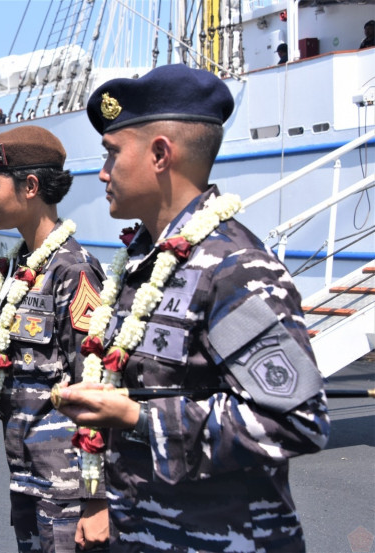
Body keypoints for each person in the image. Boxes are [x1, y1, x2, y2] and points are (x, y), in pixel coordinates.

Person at [54, 64, 330, 552]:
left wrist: (138, 419)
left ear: (160, 154)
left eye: (112, 154)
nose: (102, 172)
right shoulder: (142, 263)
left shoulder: (233, 269)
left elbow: (295, 419)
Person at [0, 126, 108, 552]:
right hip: (28, 472)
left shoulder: (73, 269)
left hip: (69, 484)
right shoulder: (17, 267)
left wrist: (96, 497)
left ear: (30, 186)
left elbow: (96, 384)